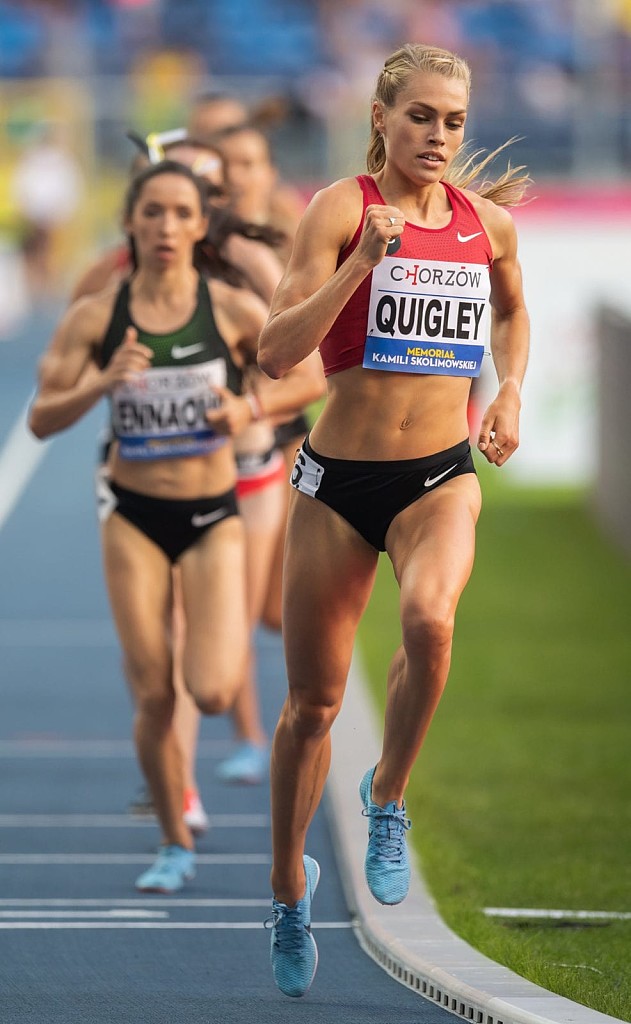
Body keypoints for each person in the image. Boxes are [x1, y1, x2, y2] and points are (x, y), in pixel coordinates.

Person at [256, 42, 530, 997]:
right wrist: (359, 267)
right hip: (336, 484)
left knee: (430, 621)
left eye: (452, 122)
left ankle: (387, 796)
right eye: (420, 117)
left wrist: (508, 391)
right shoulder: (339, 210)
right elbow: (274, 351)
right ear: (381, 118)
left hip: (438, 474)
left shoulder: (487, 226)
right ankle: (287, 889)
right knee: (312, 707)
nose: (438, 136)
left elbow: (512, 315)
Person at [29, 160, 270, 893]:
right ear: (130, 222)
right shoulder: (97, 316)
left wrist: (247, 408)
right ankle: (173, 841)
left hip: (210, 515)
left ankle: (193, 782)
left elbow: (306, 373)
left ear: (201, 227)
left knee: (213, 690)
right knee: (155, 693)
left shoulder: (230, 308)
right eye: (152, 212)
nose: (166, 226)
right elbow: (40, 417)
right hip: (132, 515)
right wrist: (102, 383)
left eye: (181, 213)